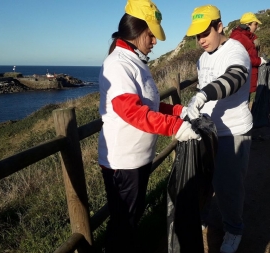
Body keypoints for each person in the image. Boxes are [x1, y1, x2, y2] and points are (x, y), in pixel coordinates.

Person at [97, 0, 200, 252]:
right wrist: (174, 127)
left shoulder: (135, 62)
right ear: (136, 30)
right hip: (124, 162)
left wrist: (178, 111)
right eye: (151, 35)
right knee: (124, 224)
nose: (154, 42)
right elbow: (132, 112)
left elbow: (150, 105)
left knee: (130, 220)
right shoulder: (118, 64)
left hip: (138, 159)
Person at [184, 5, 253, 253]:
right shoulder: (203, 58)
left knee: (229, 187)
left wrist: (203, 94)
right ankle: (206, 217)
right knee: (205, 180)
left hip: (233, 132)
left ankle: (234, 229)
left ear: (220, 27)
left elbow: (235, 77)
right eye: (196, 35)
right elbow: (204, 90)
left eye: (205, 33)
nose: (201, 40)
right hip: (209, 132)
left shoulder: (236, 50)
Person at [229, 12, 267, 101]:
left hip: (247, 76)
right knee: (242, 103)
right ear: (247, 24)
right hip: (243, 78)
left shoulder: (247, 36)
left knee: (246, 101)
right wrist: (260, 61)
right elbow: (241, 59)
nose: (257, 26)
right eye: (255, 24)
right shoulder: (239, 38)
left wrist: (254, 38)